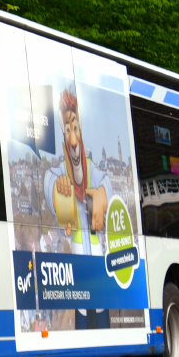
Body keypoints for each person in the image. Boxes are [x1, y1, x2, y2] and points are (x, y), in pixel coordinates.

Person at [43, 86, 110, 257]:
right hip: (76, 249)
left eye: (75, 129)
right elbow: (48, 180)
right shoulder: (60, 171)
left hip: (96, 248)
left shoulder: (91, 168)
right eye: (67, 131)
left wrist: (102, 194)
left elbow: (106, 181)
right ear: (63, 136)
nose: (73, 141)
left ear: (80, 131)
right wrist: (58, 189)